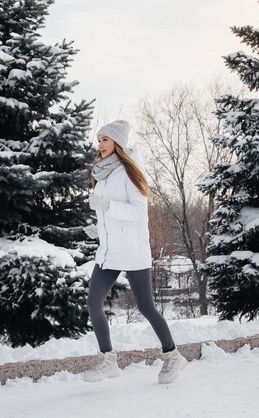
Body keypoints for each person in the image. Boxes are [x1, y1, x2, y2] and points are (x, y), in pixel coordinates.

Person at [81, 119, 187, 384]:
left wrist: (106, 207)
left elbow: (139, 213)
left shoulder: (131, 171)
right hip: (109, 249)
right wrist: (97, 229)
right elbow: (106, 213)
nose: (100, 144)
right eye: (99, 140)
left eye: (105, 139)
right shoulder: (101, 173)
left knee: (145, 306)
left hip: (132, 249)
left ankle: (172, 355)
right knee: (93, 302)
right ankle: (108, 360)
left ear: (118, 143)